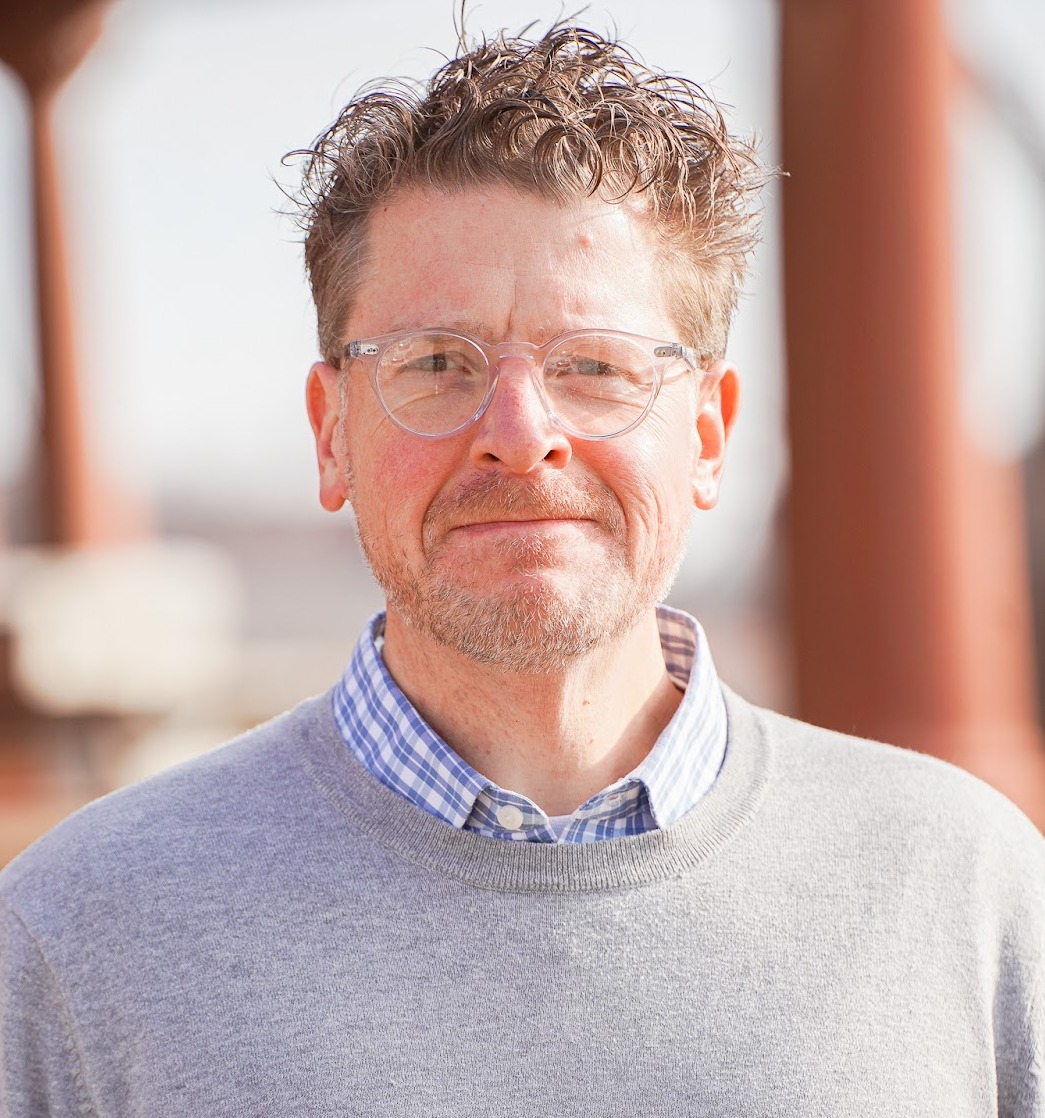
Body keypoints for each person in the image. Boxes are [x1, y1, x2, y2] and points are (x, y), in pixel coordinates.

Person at [2, 21, 1043, 1117]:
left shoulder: (965, 888)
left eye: (594, 366)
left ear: (708, 434)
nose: (518, 431)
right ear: (330, 431)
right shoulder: (77, 940)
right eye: (437, 364)